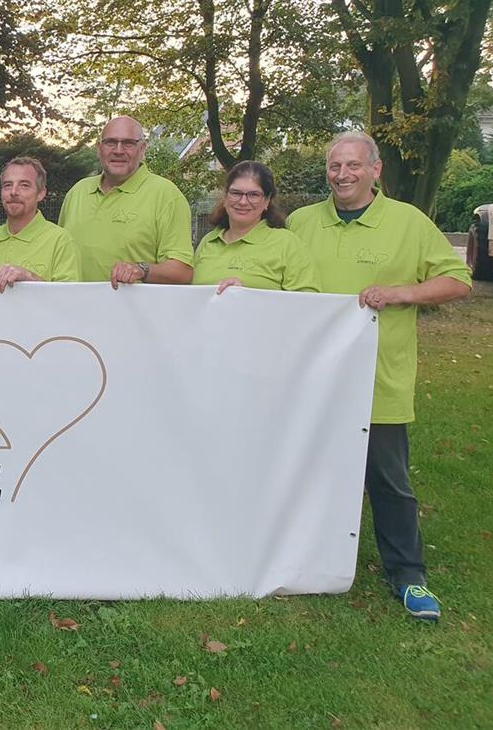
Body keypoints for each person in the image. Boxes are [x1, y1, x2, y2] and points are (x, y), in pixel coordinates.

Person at [288, 131, 471, 621]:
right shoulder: (302, 222)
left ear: (375, 170)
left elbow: (458, 280)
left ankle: (408, 574)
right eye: (334, 166)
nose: (342, 175)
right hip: (309, 381)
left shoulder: (407, 222)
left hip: (377, 380)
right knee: (303, 471)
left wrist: (402, 293)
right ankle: (300, 558)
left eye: (353, 165)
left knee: (388, 481)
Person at [58, 115, 194, 288]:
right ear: (99, 148)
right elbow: (58, 256)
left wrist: (141, 270)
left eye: (128, 143)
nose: (118, 150)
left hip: (133, 306)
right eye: (110, 142)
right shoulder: (77, 192)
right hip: (74, 304)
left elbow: (183, 272)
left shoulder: (166, 196)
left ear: (142, 149)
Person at [193, 161, 319, 293]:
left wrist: (248, 296)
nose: (243, 202)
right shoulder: (208, 241)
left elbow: (308, 301)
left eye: (253, 195)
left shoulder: (287, 244)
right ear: (225, 197)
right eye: (236, 193)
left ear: (267, 201)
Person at [0, 157, 79, 292]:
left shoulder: (60, 240)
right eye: (7, 185)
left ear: (41, 193)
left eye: (24, 185)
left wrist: (29, 277)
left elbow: (70, 298)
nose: (14, 192)